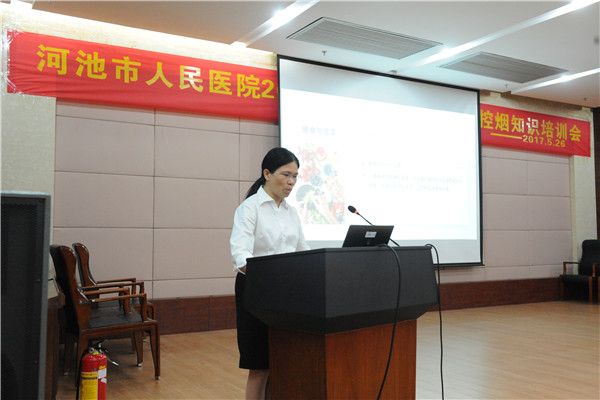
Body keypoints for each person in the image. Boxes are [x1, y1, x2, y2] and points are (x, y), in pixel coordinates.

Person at [230, 147, 310, 400]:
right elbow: (240, 256)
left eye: (295, 176)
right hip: (256, 292)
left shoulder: (291, 212)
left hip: (286, 294)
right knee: (260, 365)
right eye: (286, 175)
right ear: (267, 173)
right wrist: (270, 274)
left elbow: (303, 251)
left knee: (281, 362)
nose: (291, 182)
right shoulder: (249, 208)